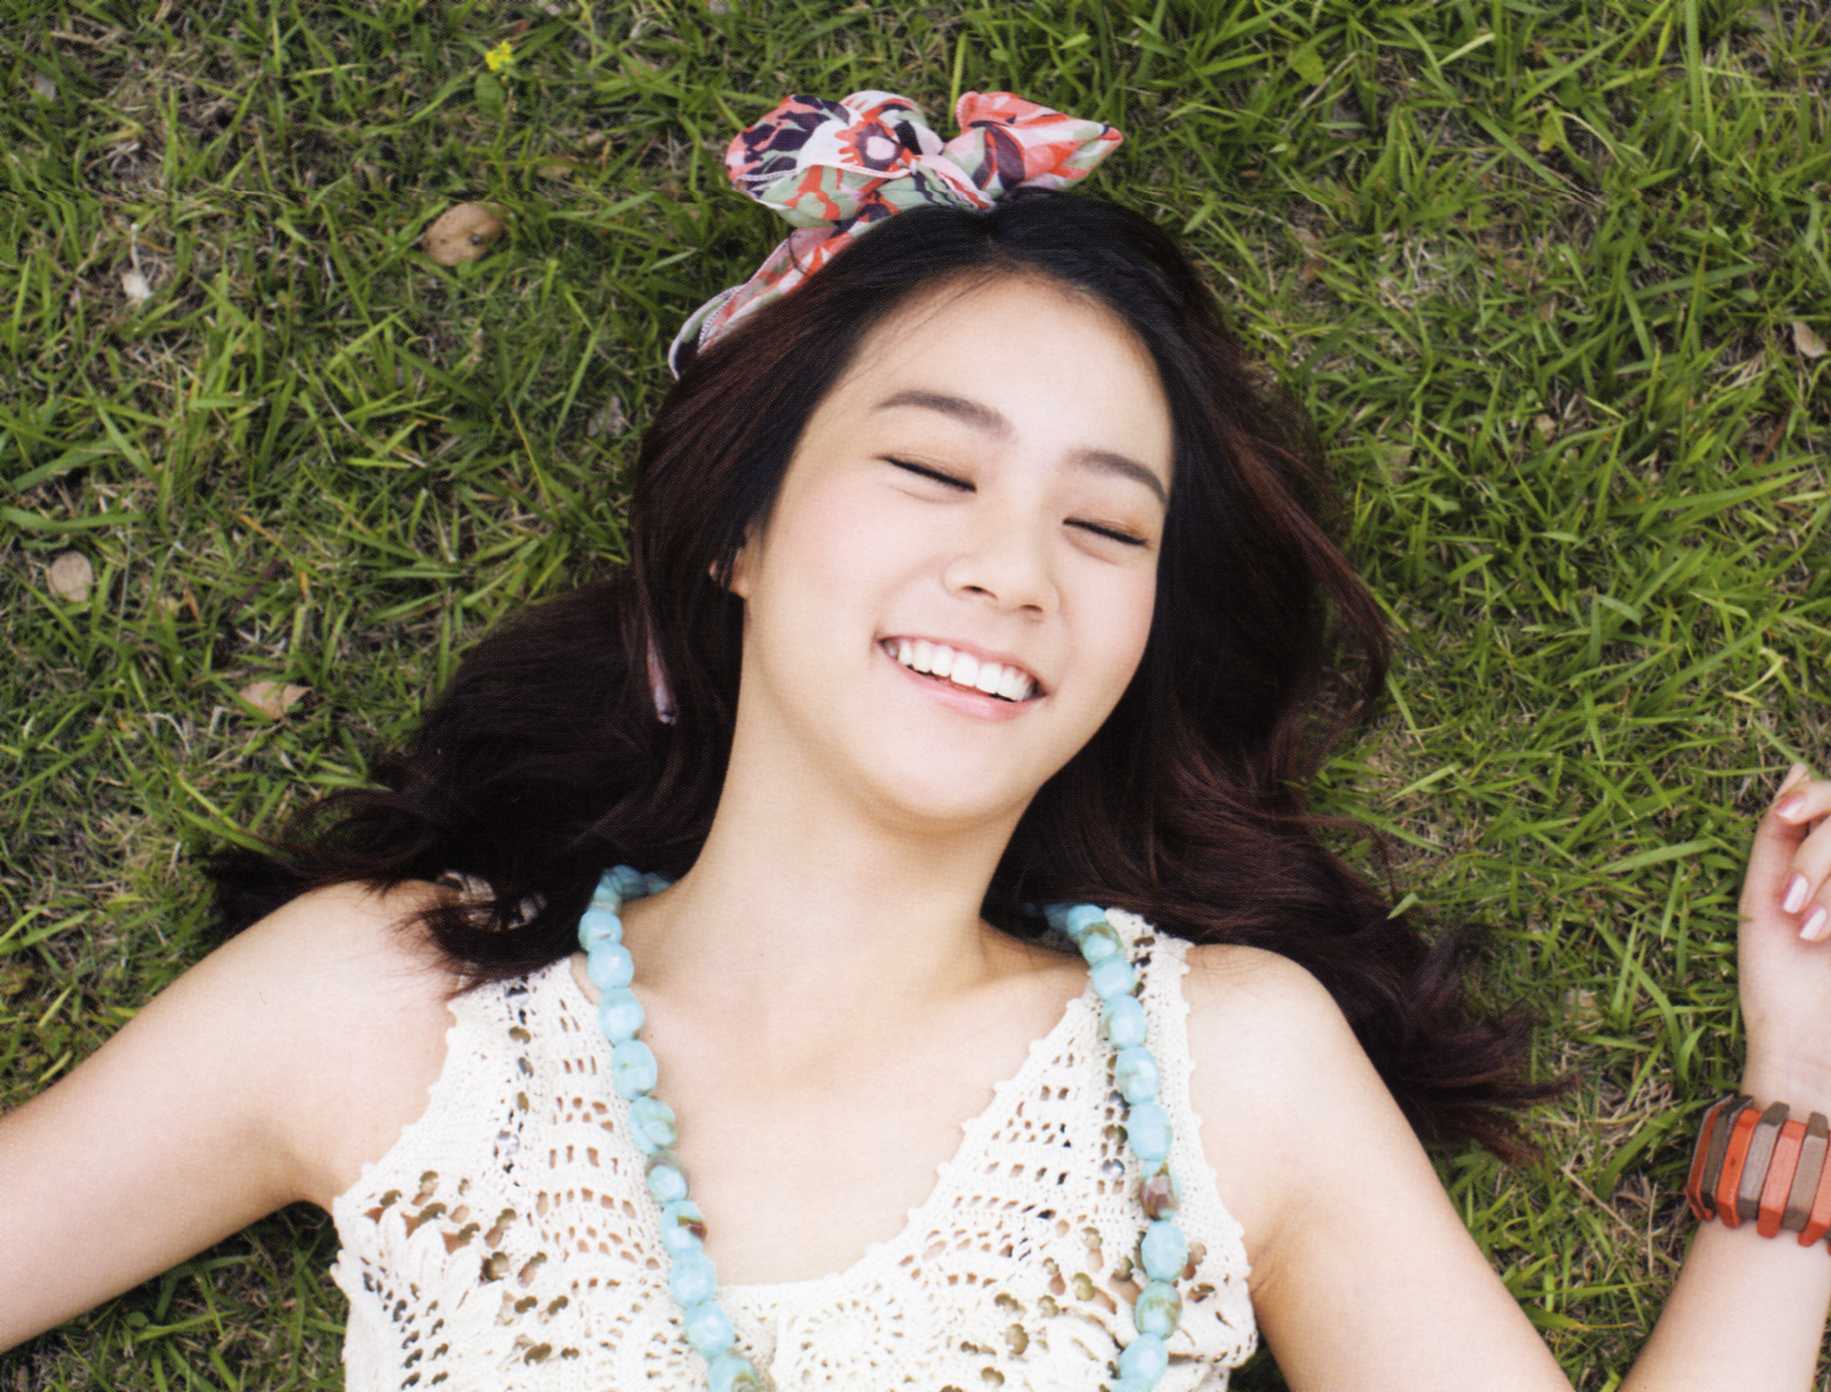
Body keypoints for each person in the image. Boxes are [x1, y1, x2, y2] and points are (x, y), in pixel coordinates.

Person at [1, 87, 1826, 1391]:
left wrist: (1804, 1090)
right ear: (741, 526)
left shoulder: (1223, 1072)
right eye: (935, 470)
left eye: (1103, 525)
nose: (1011, 570)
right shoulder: (391, 1014)